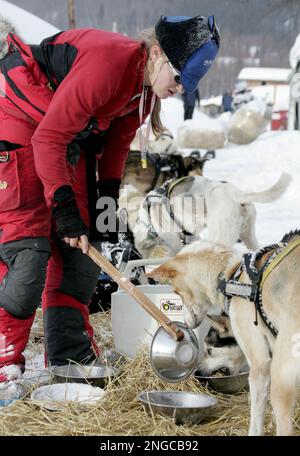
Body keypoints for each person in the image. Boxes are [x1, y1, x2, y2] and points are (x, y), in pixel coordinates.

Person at [0, 14, 219, 382]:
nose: (182, 88)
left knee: (84, 253)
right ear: (155, 54)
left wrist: (107, 205)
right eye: (180, 77)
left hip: (71, 137)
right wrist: (65, 208)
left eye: (189, 83)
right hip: (25, 124)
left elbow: (115, 146)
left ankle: (69, 356)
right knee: (29, 255)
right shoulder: (109, 64)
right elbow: (48, 138)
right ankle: (4, 358)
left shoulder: (143, 93)